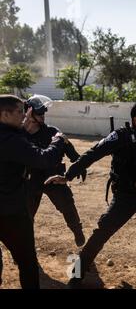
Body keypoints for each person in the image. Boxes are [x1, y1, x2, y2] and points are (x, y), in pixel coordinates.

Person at [46, 102, 136, 287]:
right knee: (103, 231)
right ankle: (78, 272)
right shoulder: (121, 136)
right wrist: (68, 175)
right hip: (126, 196)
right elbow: (93, 153)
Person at [0, 94, 66, 289]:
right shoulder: (11, 139)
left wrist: (22, 132)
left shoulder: (12, 135)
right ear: (4, 114)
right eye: (20, 112)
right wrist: (58, 140)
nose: (25, 116)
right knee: (27, 262)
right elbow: (43, 159)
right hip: (10, 212)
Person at [23, 95, 85, 247]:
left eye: (44, 113)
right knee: (25, 216)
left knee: (67, 206)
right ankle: (26, 247)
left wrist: (79, 165)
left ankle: (77, 230)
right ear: (29, 113)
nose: (42, 116)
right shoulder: (19, 135)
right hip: (30, 180)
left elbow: (70, 149)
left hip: (53, 178)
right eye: (39, 113)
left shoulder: (52, 131)